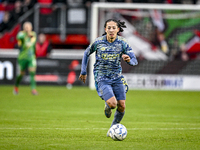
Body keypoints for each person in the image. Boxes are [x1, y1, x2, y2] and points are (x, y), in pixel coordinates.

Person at [79, 19, 138, 136]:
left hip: (117, 77)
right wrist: (83, 71)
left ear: (118, 29)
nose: (111, 30)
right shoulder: (98, 42)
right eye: (109, 28)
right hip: (102, 77)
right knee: (113, 104)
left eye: (113, 28)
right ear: (105, 29)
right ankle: (108, 104)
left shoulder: (123, 43)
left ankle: (112, 129)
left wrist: (129, 60)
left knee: (122, 105)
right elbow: (86, 53)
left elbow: (134, 60)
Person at [13, 21, 38, 95]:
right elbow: (20, 39)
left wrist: (29, 35)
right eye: (25, 27)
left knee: (32, 72)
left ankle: (33, 89)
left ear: (31, 28)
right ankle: (16, 86)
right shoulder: (21, 34)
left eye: (28, 27)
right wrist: (26, 35)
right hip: (22, 57)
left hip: (31, 57)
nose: (27, 28)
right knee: (21, 74)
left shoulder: (33, 34)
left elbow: (32, 43)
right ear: (23, 28)